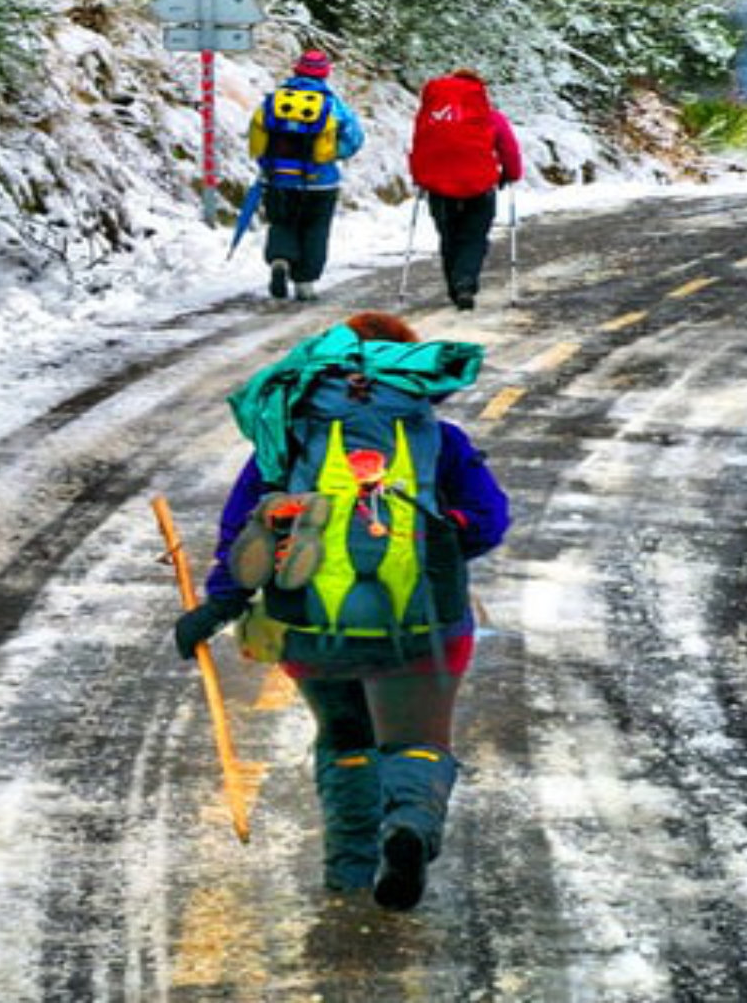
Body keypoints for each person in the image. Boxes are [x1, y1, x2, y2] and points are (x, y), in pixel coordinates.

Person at [172, 311, 509, 910]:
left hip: (312, 627)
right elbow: (488, 523)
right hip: (423, 624)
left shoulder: (291, 437)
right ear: (407, 373)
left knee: (344, 735)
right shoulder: (439, 438)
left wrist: (218, 606)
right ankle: (408, 824)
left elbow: (242, 533)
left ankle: (348, 871)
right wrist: (434, 536)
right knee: (414, 740)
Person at [249, 49, 366, 302]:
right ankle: (304, 283)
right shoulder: (333, 104)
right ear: (325, 73)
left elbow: (258, 136)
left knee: (282, 222)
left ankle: (280, 259)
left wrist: (269, 165)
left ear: (296, 70)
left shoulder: (274, 100)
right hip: (320, 182)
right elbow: (354, 140)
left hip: (278, 178)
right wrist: (334, 154)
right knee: (315, 229)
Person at [408, 68, 524, 311]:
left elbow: (420, 146)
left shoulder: (431, 116)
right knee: (474, 237)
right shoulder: (490, 118)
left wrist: (421, 177)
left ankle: (455, 286)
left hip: (438, 187)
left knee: (449, 236)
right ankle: (466, 282)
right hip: (479, 186)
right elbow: (509, 150)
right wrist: (510, 174)